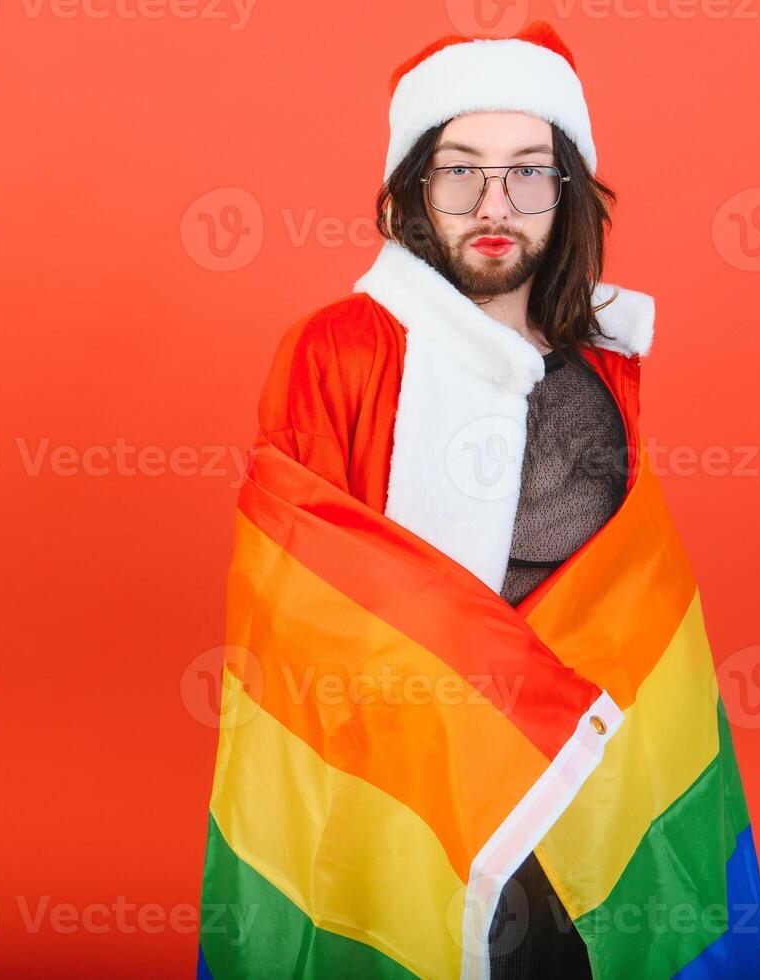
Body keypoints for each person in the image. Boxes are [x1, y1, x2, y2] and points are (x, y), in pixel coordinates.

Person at [252, 21, 652, 978]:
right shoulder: (339, 348)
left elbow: (631, 575)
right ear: (413, 190)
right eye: (459, 169)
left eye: (526, 172)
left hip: (588, 774)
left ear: (565, 192)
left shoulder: (605, 360)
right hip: (418, 772)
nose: (493, 203)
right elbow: (296, 576)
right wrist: (480, 699)